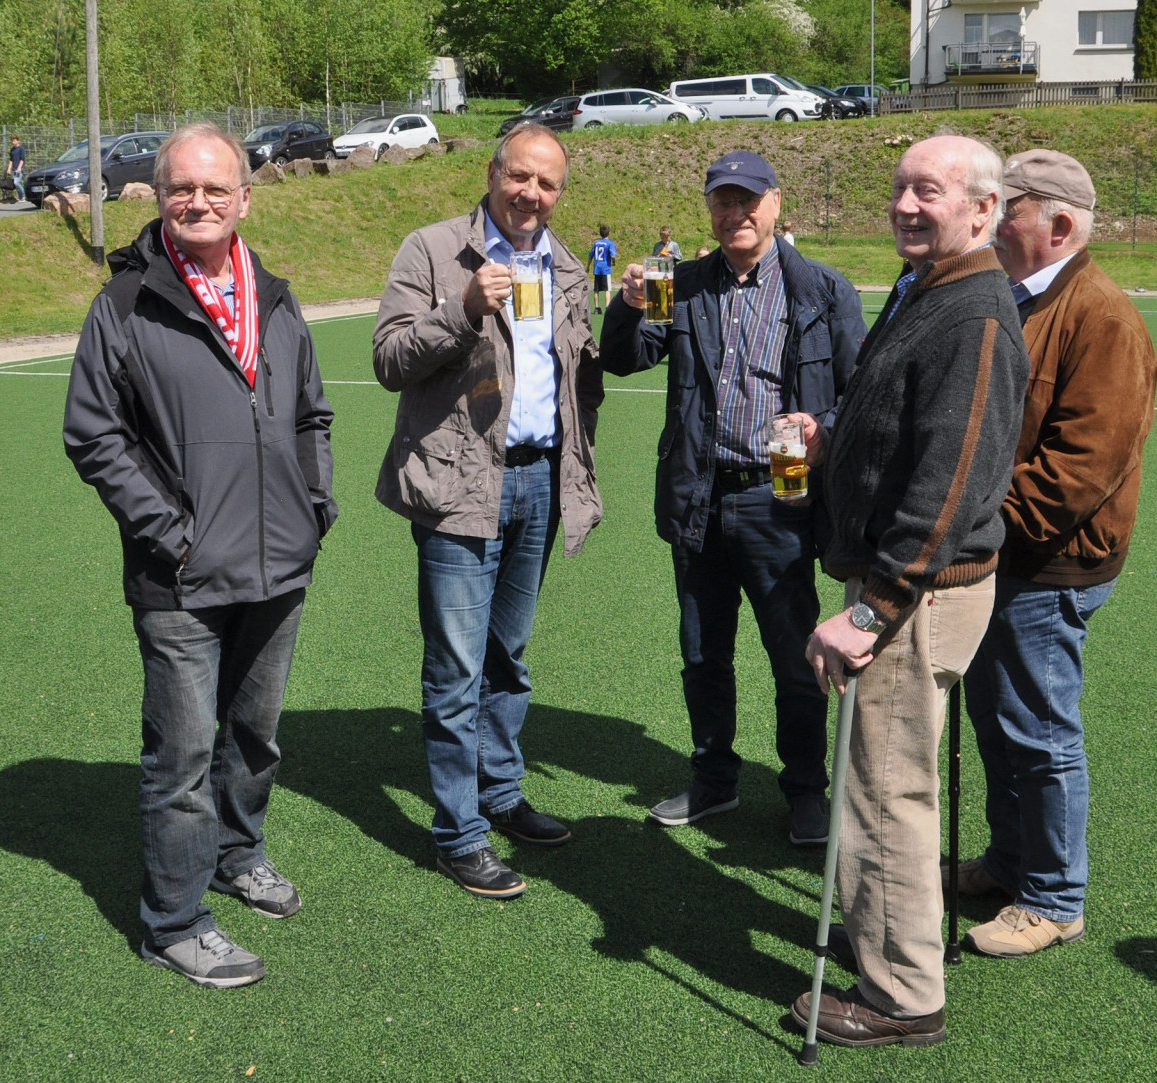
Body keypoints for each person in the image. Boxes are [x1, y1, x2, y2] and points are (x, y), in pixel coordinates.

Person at [63, 123, 337, 988]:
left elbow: (311, 416)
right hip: (179, 574)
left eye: (216, 188)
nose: (198, 202)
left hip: (278, 561)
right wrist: (170, 531)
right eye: (182, 187)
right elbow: (93, 434)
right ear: (158, 196)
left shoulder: (276, 298)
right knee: (180, 758)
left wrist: (314, 506)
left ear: (244, 199)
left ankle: (237, 852)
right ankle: (173, 922)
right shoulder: (124, 304)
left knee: (254, 736)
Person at [791, 135, 1029, 1047]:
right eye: (899, 187)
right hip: (906, 590)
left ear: (982, 209)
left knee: (885, 794)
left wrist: (869, 609)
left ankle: (900, 995)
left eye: (927, 190)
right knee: (881, 784)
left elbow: (949, 483)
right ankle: (891, 947)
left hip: (912, 598)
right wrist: (834, 438)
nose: (903, 204)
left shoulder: (972, 314)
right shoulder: (929, 287)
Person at [601, 151, 867, 845]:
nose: (735, 213)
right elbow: (627, 358)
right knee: (702, 655)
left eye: (748, 199)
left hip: (780, 499)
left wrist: (824, 428)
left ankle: (805, 790)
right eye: (722, 201)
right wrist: (626, 308)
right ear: (709, 210)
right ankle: (714, 780)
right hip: (699, 495)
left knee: (794, 657)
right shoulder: (680, 283)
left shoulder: (822, 291)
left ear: (775, 204)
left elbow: (859, 394)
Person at [372, 123, 604, 900]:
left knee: (508, 654)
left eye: (546, 183)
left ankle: (500, 793)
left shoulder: (565, 265)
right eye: (519, 176)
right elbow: (388, 360)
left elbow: (580, 376)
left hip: (538, 480)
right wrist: (461, 309)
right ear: (492, 173)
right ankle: (458, 833)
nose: (530, 193)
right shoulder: (433, 248)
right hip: (459, 485)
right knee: (455, 668)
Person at [958, 150, 1157, 958]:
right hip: (1002, 554)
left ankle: (1053, 896)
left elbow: (1079, 469)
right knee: (996, 719)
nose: (988, 220)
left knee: (1038, 732)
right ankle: (1011, 861)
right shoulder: (1020, 296)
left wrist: (975, 521)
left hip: (1046, 563)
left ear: (1059, 223)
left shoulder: (1100, 315)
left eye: (1004, 207)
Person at [588, 223, 618, 310]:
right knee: (607, 289)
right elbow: (613, 255)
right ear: (609, 233)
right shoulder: (610, 243)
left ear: (600, 233)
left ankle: (597, 307)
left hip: (597, 268)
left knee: (596, 289)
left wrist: (588, 266)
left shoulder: (596, 243)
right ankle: (607, 307)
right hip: (605, 269)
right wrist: (613, 262)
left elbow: (591, 256)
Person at [7, 135, 27, 204]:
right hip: (14, 169)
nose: (13, 142)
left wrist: (19, 167)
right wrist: (9, 168)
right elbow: (11, 160)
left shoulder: (21, 149)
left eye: (14, 141)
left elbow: (22, 159)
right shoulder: (12, 150)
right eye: (12, 141)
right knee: (16, 184)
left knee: (16, 182)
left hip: (19, 169)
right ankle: (20, 197)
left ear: (18, 141)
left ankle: (24, 196)